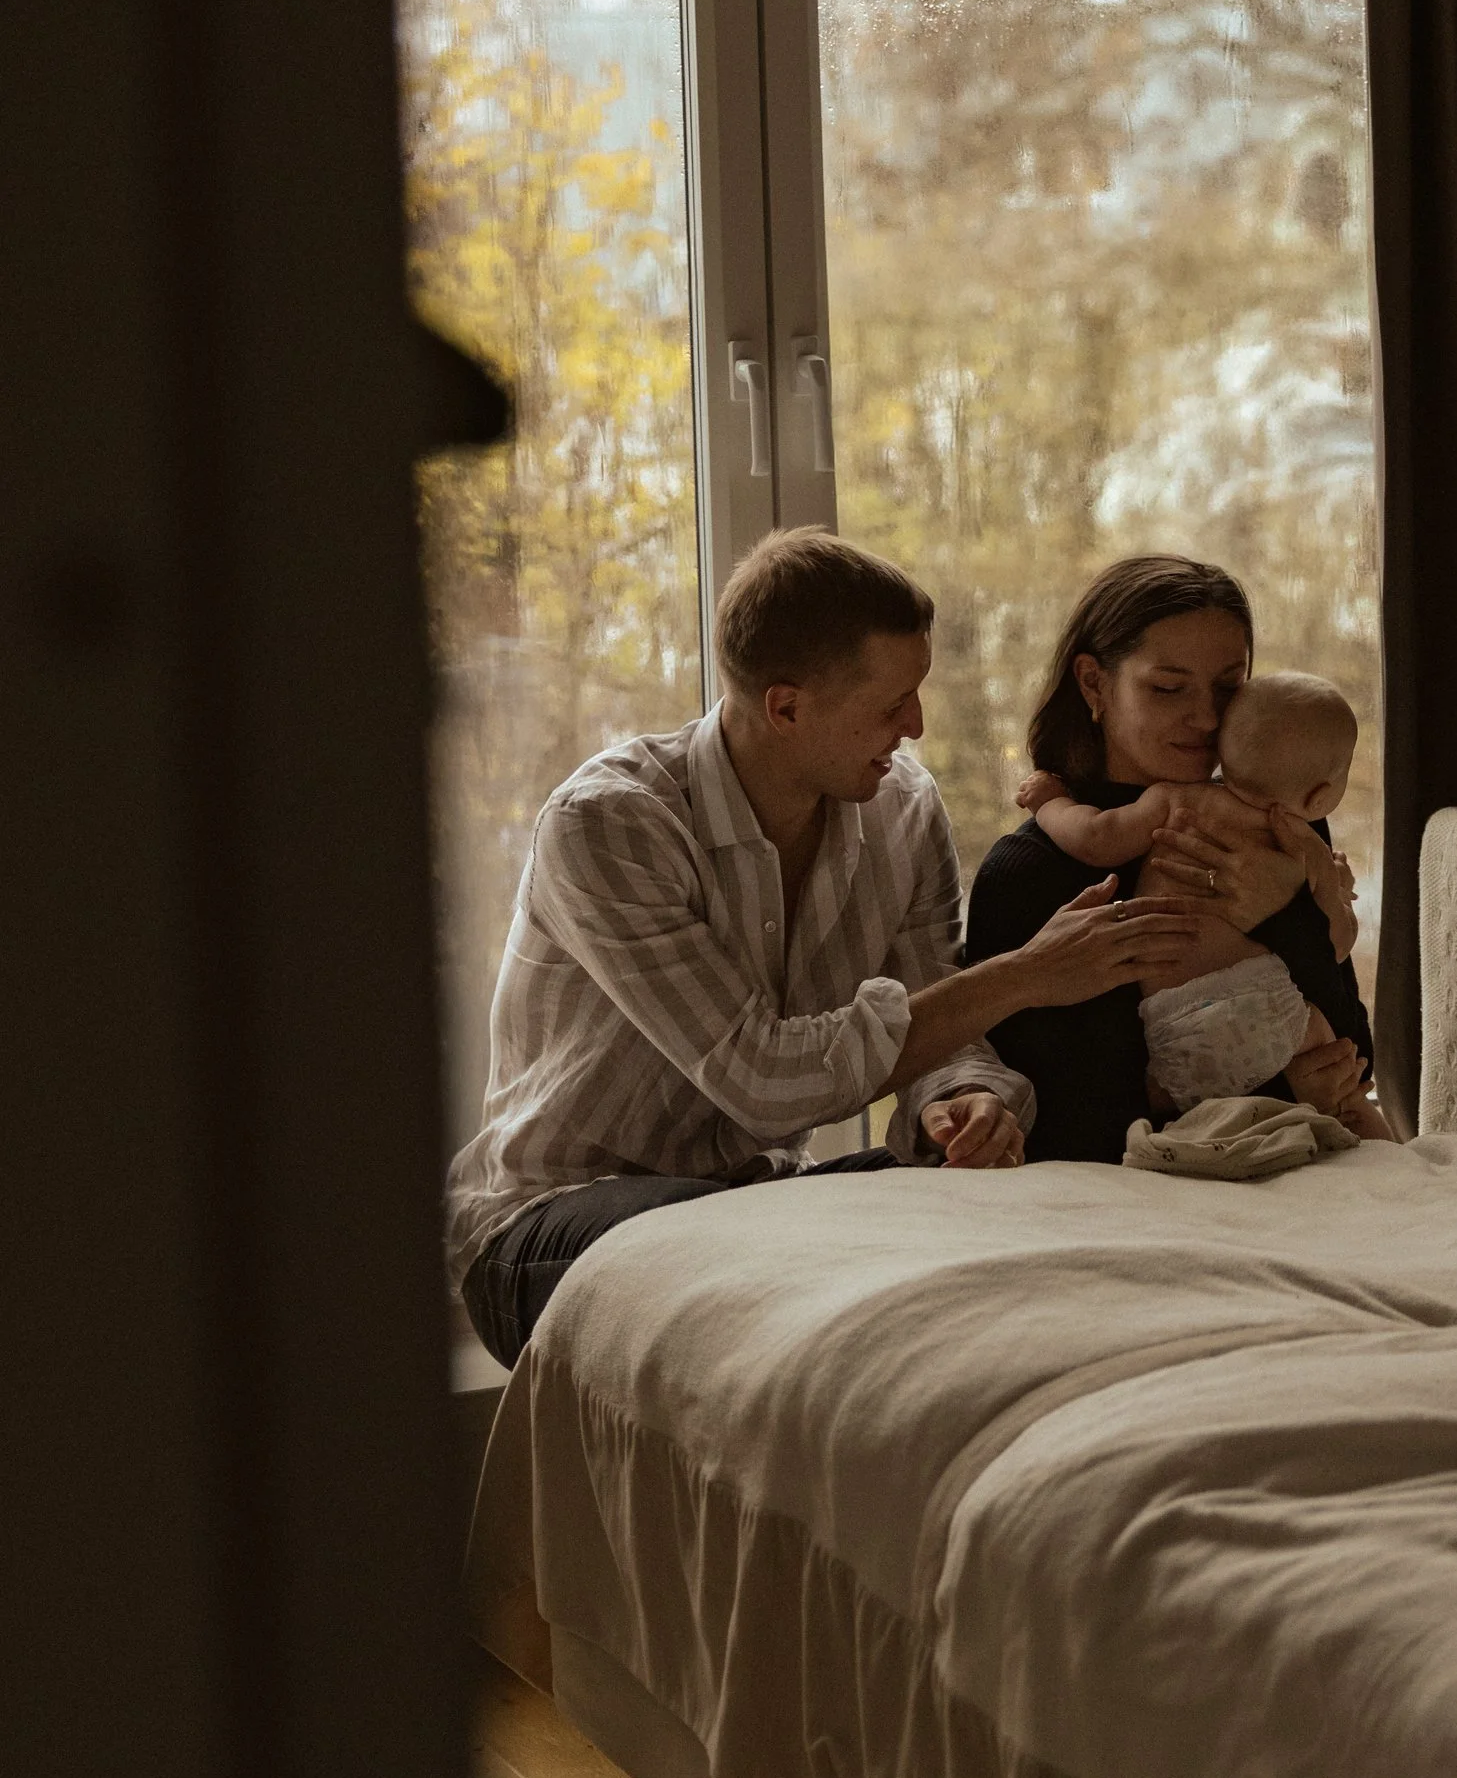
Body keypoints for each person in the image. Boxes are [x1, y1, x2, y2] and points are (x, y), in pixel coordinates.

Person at [450, 528, 1199, 1364]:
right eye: (891, 705)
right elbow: (761, 1082)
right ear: (786, 707)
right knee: (737, 1246)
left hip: (760, 1206)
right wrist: (1026, 976)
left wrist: (960, 1104)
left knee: (1035, 1214)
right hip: (552, 1222)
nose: (915, 724)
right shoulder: (611, 824)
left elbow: (940, 1029)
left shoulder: (904, 808)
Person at [963, 555, 1376, 1162]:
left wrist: (1286, 915)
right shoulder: (1030, 872)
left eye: (1228, 687)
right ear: (1093, 684)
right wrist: (1284, 1091)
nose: (1207, 718)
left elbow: (1356, 1055)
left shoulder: (1284, 825)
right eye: (1168, 688)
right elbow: (1057, 1128)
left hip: (1304, 1178)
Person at [1019, 669, 1395, 1138]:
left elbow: (1095, 838)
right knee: (1348, 1093)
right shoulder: (1300, 840)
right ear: (1320, 794)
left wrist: (1048, 802)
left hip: (1171, 1031)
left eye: (1223, 689)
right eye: (1169, 687)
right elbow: (1335, 946)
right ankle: (1400, 1165)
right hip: (1268, 1015)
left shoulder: (1177, 803)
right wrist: (1331, 897)